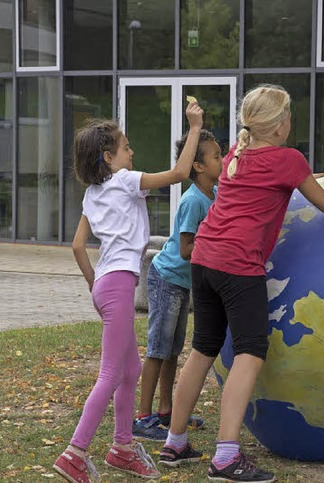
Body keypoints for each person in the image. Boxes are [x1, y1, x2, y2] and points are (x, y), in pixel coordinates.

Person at [158, 84, 324, 482]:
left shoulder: (237, 153)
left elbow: (297, 181)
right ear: (282, 125)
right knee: (250, 353)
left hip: (204, 260)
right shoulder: (288, 159)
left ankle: (174, 443)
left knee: (202, 350)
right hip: (237, 267)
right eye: (289, 116)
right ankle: (226, 457)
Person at [53, 101, 204, 482]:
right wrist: (195, 127)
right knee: (110, 373)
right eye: (126, 147)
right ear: (109, 157)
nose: (132, 152)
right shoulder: (123, 180)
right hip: (119, 283)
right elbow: (181, 172)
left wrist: (95, 284)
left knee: (130, 369)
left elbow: (76, 246)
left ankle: (122, 447)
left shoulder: (92, 193)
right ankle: (75, 452)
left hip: (106, 284)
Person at [133, 129, 223, 441]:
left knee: (172, 350)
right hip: (167, 277)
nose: (221, 160)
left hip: (183, 283)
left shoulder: (214, 194)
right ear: (198, 166)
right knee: (158, 349)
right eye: (215, 156)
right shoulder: (193, 201)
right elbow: (186, 249)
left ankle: (166, 411)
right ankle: (143, 418)